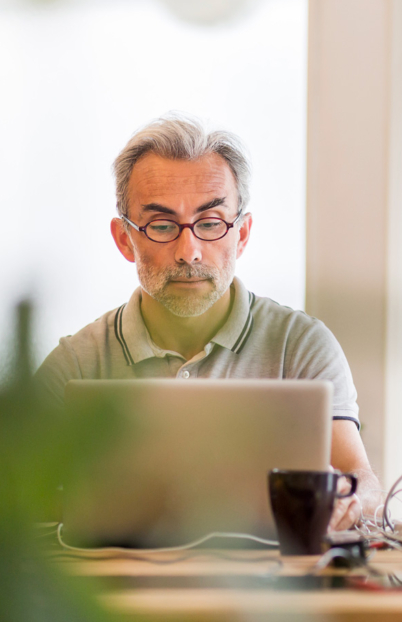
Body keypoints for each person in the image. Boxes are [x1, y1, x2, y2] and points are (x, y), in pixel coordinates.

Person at [34, 114, 379, 531]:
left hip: (272, 588)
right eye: (162, 225)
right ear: (125, 239)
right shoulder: (75, 363)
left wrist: (351, 500)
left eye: (211, 224)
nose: (189, 251)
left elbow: (360, 481)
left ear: (243, 234)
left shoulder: (301, 344)